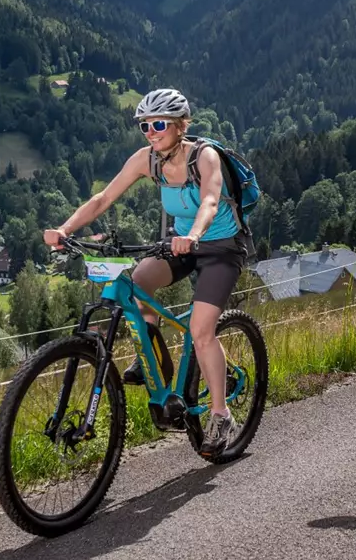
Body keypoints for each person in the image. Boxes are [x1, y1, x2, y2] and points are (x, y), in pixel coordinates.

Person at [44, 88, 251, 456]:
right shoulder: (147, 160)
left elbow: (210, 200)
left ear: (180, 125)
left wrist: (193, 234)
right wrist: (64, 229)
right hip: (180, 243)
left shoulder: (205, 157)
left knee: (202, 331)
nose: (151, 133)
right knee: (137, 283)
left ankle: (221, 414)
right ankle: (154, 361)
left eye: (158, 125)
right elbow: (102, 199)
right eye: (145, 126)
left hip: (219, 246)